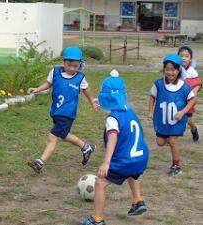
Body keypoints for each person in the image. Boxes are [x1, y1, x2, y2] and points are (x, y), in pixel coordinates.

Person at [79, 70, 149, 225]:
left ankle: (97, 219)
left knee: (100, 183)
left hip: (125, 161)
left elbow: (112, 138)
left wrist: (106, 163)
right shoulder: (130, 111)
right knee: (133, 173)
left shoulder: (112, 119)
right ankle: (138, 200)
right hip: (141, 158)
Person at [27, 46, 98, 174]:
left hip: (67, 114)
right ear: (63, 62)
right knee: (64, 136)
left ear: (80, 64)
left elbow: (86, 89)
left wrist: (92, 100)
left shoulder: (80, 78)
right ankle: (86, 147)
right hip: (56, 112)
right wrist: (38, 89)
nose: (72, 69)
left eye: (75, 66)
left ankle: (40, 162)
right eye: (69, 65)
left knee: (52, 137)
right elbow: (48, 83)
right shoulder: (55, 72)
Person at [148, 53, 195, 176]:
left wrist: (183, 112)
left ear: (178, 70)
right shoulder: (158, 84)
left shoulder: (184, 87)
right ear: (164, 70)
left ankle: (176, 165)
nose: (170, 73)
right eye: (168, 69)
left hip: (176, 121)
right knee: (160, 142)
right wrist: (151, 111)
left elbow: (192, 100)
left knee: (173, 142)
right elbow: (152, 96)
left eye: (173, 70)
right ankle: (171, 140)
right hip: (162, 120)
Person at [177, 45, 202, 142]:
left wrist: (193, 94)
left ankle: (194, 129)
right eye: (181, 55)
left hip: (188, 100)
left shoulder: (192, 72)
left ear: (190, 58)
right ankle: (172, 136)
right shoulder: (176, 68)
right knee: (173, 116)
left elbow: (197, 85)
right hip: (176, 98)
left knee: (189, 121)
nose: (183, 58)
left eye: (186, 56)